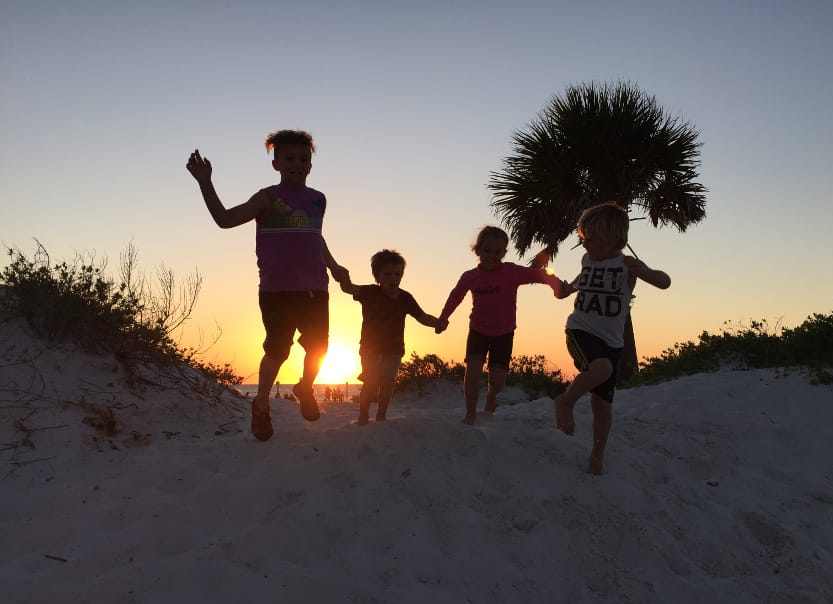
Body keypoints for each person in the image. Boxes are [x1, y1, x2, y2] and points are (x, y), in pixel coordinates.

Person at [186, 130, 349, 441]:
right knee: (278, 349)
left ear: (311, 165)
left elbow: (314, 236)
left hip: (316, 287)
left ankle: (304, 386)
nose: (297, 164)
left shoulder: (318, 200)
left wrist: (334, 265)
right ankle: (261, 403)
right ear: (276, 164)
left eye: (304, 159)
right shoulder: (267, 198)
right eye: (289, 158)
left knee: (320, 347)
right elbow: (225, 219)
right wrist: (205, 182)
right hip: (276, 291)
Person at [554, 202, 671, 475]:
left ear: (614, 240)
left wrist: (643, 270)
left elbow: (664, 282)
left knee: (603, 405)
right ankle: (566, 401)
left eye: (590, 239)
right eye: (583, 238)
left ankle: (597, 455)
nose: (584, 244)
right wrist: (564, 290)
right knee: (602, 368)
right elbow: (575, 285)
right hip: (580, 331)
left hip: (613, 341)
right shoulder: (588, 262)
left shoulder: (626, 265)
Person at [436, 226, 570, 425]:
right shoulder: (469, 276)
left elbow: (540, 275)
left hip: (504, 334)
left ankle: (491, 396)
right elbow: (455, 296)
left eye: (497, 252)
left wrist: (558, 287)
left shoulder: (511, 272)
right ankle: (470, 413)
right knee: (472, 375)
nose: (491, 256)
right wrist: (443, 318)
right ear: (477, 250)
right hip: (478, 332)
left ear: (504, 253)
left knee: (498, 383)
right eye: (487, 250)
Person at [340, 249, 441, 425]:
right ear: (377, 277)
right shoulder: (369, 292)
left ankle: (381, 415)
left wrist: (437, 323)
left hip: (394, 350)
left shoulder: (405, 298)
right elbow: (348, 288)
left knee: (387, 384)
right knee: (370, 383)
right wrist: (343, 276)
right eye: (387, 274)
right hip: (370, 348)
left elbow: (422, 316)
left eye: (397, 274)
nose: (393, 278)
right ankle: (363, 416)